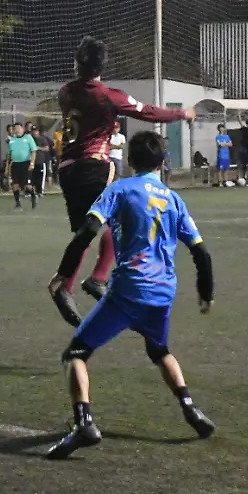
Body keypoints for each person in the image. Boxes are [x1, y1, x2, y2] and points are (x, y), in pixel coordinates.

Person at [44, 131, 215, 459]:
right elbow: (201, 252)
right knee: (159, 350)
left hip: (129, 290)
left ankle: (83, 424)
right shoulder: (173, 199)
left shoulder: (119, 189)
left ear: (130, 161)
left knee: (76, 354)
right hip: (163, 292)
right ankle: (190, 408)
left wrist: (64, 273)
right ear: (162, 163)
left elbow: (87, 231)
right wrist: (206, 292)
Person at [53, 36, 194, 327]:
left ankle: (67, 286)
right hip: (93, 166)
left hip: (67, 168)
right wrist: (181, 113)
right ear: (103, 66)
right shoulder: (108, 96)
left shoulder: (65, 92)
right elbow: (148, 112)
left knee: (86, 229)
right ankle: (96, 278)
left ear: (77, 64)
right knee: (123, 222)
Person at [6, 123, 38, 210]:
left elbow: (34, 151)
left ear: (23, 129)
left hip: (26, 164)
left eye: (19, 128)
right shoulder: (12, 140)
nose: (17, 130)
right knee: (15, 185)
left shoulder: (28, 137)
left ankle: (33, 196)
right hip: (15, 164)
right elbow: (9, 155)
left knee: (27, 185)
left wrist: (32, 163)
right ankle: (18, 204)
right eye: (15, 129)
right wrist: (7, 168)